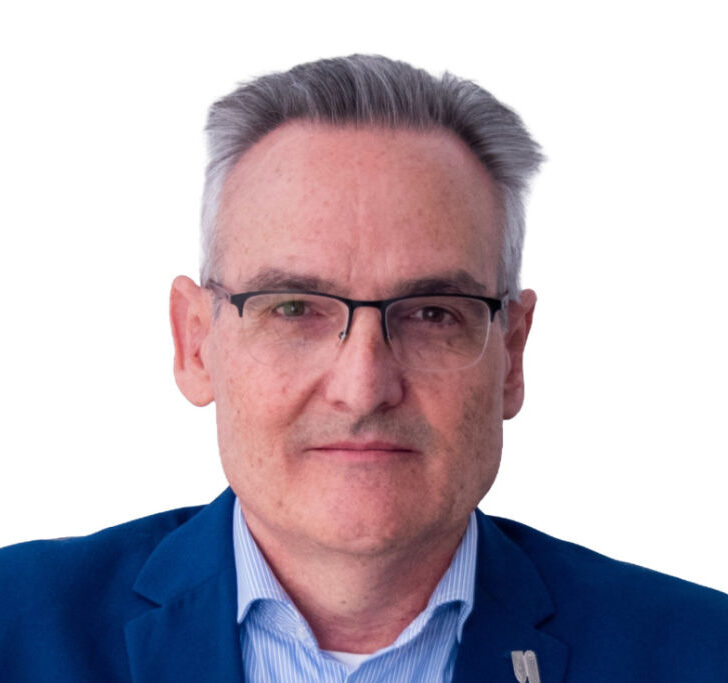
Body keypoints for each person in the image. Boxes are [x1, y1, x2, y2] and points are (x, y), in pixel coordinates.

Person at [1, 54, 726, 683]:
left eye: (433, 312)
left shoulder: (701, 652)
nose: (363, 386)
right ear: (196, 344)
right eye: (294, 308)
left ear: (511, 354)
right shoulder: (18, 630)